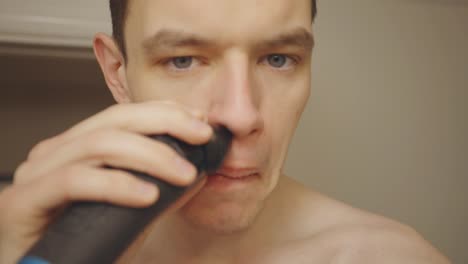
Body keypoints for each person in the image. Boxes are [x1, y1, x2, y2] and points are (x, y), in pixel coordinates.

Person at [0, 0, 451, 263]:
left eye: (278, 58)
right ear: (118, 72)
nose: (239, 115)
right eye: (183, 59)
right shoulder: (36, 246)